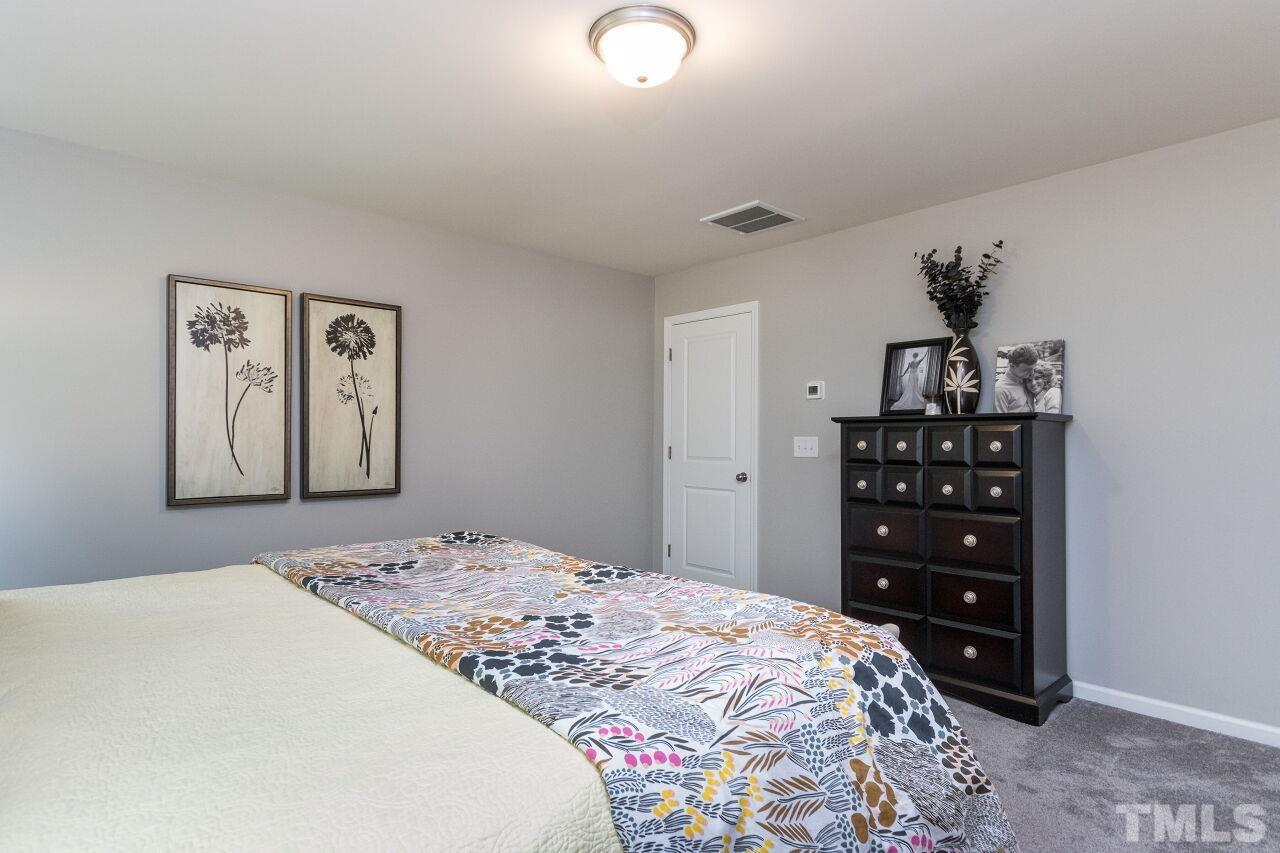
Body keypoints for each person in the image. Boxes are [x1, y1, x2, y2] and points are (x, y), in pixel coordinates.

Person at [994, 344, 1038, 412]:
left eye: (1033, 369)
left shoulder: (1028, 380)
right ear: (1012, 366)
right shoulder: (1001, 390)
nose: (1032, 373)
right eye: (1026, 370)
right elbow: (999, 421)